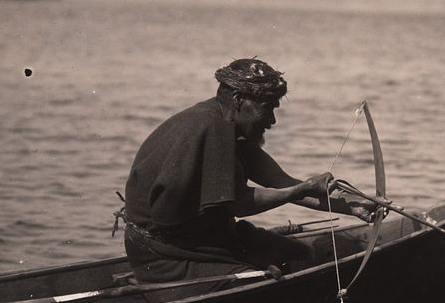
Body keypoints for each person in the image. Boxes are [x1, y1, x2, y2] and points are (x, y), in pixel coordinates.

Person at [122, 58, 373, 283]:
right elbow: (241, 204)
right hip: (164, 255)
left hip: (202, 240)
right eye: (268, 108)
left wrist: (352, 206)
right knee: (257, 282)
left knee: (294, 253)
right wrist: (304, 188)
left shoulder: (230, 126)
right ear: (239, 100)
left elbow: (281, 182)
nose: (272, 121)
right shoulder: (213, 127)